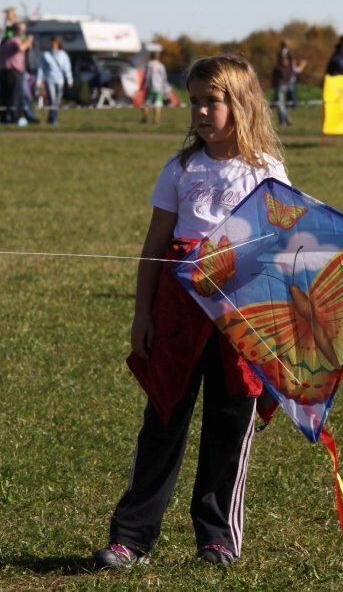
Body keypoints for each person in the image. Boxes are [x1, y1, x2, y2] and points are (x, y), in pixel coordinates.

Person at [91, 54, 288, 570]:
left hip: (239, 319)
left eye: (212, 101)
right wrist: (142, 315)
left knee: (230, 423)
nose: (200, 111)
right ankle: (131, 538)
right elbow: (155, 245)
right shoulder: (179, 170)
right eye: (194, 100)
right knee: (163, 420)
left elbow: (282, 244)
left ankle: (217, 537)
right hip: (178, 317)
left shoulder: (265, 170)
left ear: (241, 105)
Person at [0, 22, 33, 124]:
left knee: (4, 96)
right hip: (14, 71)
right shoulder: (15, 40)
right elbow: (21, 48)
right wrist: (29, 41)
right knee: (15, 96)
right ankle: (14, 118)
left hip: (3, 71)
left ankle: (3, 117)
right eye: (22, 30)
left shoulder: (4, 41)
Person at [38, 36, 73, 125]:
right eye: (52, 42)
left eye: (54, 42)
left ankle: (51, 118)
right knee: (52, 100)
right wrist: (39, 80)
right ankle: (53, 120)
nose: (52, 44)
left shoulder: (63, 55)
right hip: (50, 80)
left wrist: (69, 79)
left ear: (58, 43)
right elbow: (41, 68)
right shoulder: (46, 54)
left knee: (57, 100)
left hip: (60, 80)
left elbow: (67, 68)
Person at [141, 50, 170, 124]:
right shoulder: (161, 66)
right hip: (159, 88)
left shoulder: (149, 65)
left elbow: (146, 76)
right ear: (158, 57)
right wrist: (165, 88)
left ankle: (145, 119)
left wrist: (143, 85)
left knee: (146, 104)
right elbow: (164, 78)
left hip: (149, 87)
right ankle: (156, 120)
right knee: (158, 104)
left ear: (151, 56)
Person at [271, 45, 293, 126]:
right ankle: (283, 120)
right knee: (278, 103)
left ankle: (285, 119)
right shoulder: (287, 68)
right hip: (284, 86)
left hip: (281, 86)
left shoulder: (280, 68)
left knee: (281, 104)